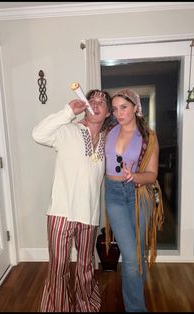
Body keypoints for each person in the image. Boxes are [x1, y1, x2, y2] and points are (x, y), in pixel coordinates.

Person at [32, 89, 112, 312]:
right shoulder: (67, 130)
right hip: (60, 212)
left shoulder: (109, 140)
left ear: (107, 113)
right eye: (91, 101)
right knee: (58, 267)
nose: (96, 105)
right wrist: (68, 111)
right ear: (85, 107)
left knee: (85, 265)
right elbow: (38, 134)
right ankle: (58, 307)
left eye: (101, 103)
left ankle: (86, 305)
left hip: (89, 212)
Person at [104, 88, 164, 312]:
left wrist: (134, 176)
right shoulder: (109, 131)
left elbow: (152, 175)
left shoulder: (148, 137)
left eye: (124, 107)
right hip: (114, 195)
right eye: (115, 109)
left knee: (135, 256)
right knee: (131, 256)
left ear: (136, 108)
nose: (118, 113)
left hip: (139, 196)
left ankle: (135, 306)